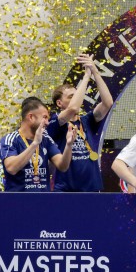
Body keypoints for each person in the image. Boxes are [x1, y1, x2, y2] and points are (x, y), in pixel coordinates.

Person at [48, 53, 114, 192]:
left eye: (77, 95)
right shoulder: (54, 122)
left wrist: (94, 72)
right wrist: (85, 77)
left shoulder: (86, 120)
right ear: (59, 103)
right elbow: (73, 108)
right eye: (72, 96)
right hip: (66, 190)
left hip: (92, 188)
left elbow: (108, 103)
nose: (77, 98)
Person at [0, 97, 75, 192]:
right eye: (44, 117)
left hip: (43, 201)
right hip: (17, 202)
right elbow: (11, 168)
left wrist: (69, 145)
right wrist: (35, 144)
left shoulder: (46, 139)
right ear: (31, 117)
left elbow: (63, 166)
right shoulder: (10, 139)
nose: (47, 122)